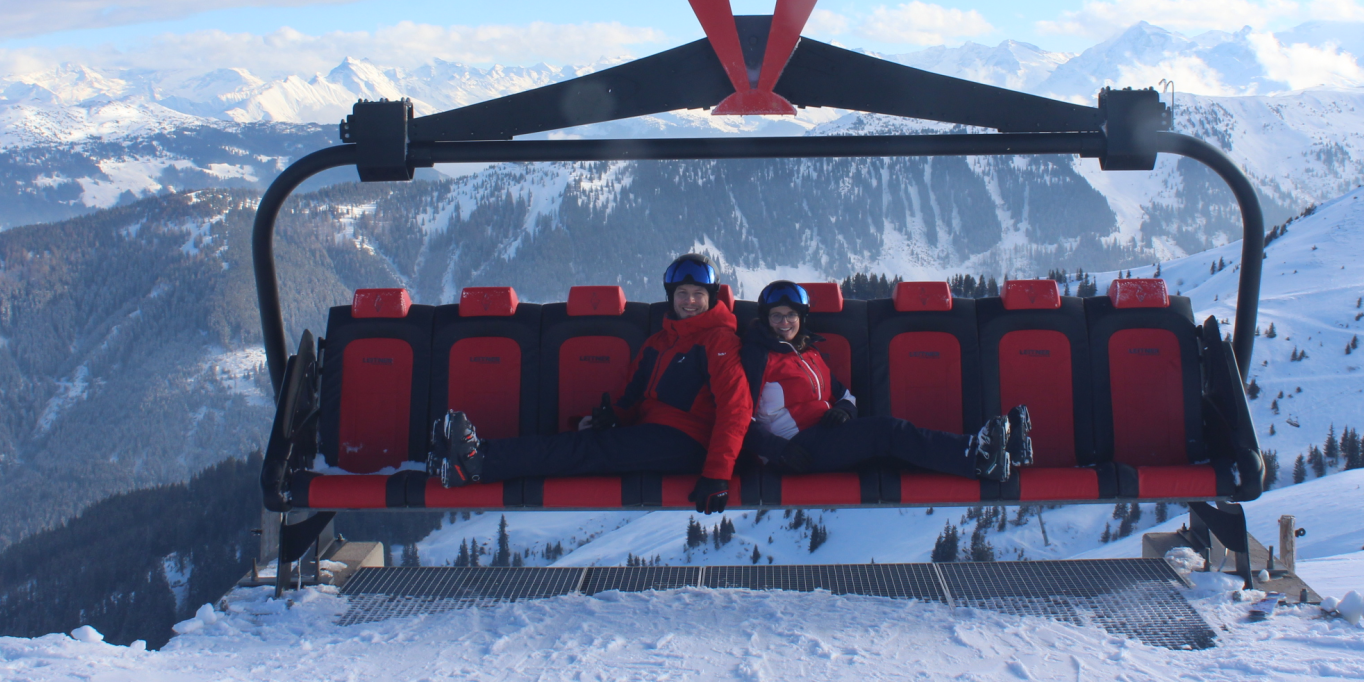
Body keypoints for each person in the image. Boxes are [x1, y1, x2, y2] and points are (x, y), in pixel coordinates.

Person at [430, 254, 751, 513]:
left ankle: (478, 462)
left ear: (711, 298)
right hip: (653, 435)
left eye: (698, 294)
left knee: (584, 450)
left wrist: (717, 475)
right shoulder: (660, 341)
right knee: (579, 443)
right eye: (682, 293)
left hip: (689, 442)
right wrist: (611, 418)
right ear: (671, 297)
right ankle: (458, 455)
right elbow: (630, 394)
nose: (690, 301)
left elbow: (735, 409)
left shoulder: (718, 341)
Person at [741, 280, 1031, 481]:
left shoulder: (809, 353)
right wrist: (778, 451)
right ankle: (977, 457)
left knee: (896, 448)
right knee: (887, 431)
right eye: (776, 316)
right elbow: (739, 419)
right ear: (765, 319)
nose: (784, 323)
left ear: (802, 317)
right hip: (794, 451)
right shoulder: (758, 356)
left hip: (823, 437)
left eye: (791, 315)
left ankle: (1003, 452)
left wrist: (844, 411)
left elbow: (845, 395)